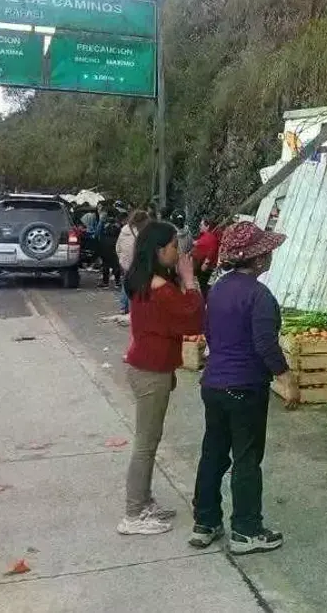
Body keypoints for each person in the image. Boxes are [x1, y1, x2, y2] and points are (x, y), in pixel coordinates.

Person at [188, 221, 300, 555]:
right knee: (247, 457)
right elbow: (266, 344)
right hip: (245, 388)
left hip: (214, 384)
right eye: (267, 251)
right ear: (259, 259)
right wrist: (287, 379)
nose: (270, 256)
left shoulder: (219, 288)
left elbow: (209, 331)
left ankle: (205, 522)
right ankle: (246, 529)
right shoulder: (260, 296)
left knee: (214, 453)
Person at [118, 221, 204, 535]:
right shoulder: (162, 289)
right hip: (149, 371)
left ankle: (143, 501)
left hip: (150, 367)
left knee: (149, 441)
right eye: (172, 246)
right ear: (158, 249)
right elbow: (193, 318)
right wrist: (190, 279)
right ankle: (132, 513)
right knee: (145, 444)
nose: (177, 252)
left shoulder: (145, 280)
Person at [115, 210, 149, 315]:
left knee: (126, 283)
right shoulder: (143, 231)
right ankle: (132, 310)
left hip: (125, 262)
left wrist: (122, 258)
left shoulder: (124, 230)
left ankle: (122, 307)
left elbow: (117, 247)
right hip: (137, 264)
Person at [192, 218, 220, 299]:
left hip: (206, 268)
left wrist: (206, 263)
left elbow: (212, 250)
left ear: (207, 227)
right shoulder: (205, 236)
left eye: (201, 225)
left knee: (203, 286)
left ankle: (204, 301)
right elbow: (198, 243)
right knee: (202, 285)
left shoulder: (210, 237)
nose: (199, 226)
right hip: (202, 266)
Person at [98, 211, 124, 289]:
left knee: (105, 265)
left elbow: (99, 234)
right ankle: (117, 282)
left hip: (106, 245)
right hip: (115, 244)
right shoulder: (118, 227)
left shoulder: (105, 226)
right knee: (116, 265)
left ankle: (105, 283)